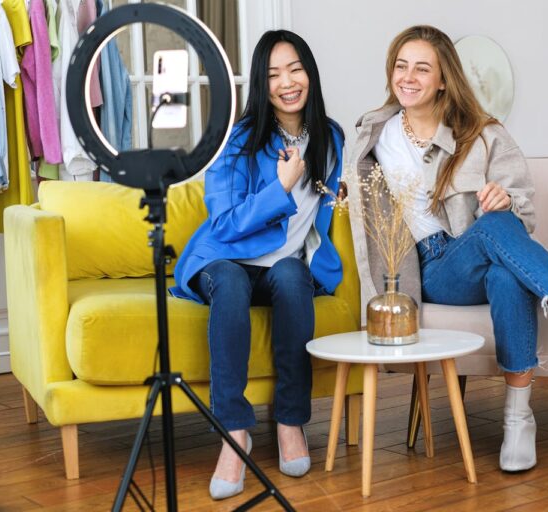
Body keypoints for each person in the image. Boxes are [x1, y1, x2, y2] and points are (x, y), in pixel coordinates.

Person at [347, 25, 548, 473]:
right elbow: (361, 210)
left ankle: (519, 419)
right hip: (433, 270)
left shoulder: (482, 133)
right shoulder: (372, 136)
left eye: (422, 68)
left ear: (442, 79)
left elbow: (522, 210)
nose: (408, 77)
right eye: (401, 66)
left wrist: (506, 199)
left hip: (483, 249)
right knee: (497, 238)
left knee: (504, 266)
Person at [170, 30, 344, 499]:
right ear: (260, 85)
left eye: (295, 69)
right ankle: (234, 432)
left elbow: (327, 203)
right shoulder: (238, 139)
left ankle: (290, 420)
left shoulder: (332, 138)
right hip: (223, 260)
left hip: (279, 267)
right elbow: (224, 224)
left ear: (309, 72)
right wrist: (281, 187)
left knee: (292, 275)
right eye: (273, 74)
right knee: (228, 278)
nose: (286, 82)